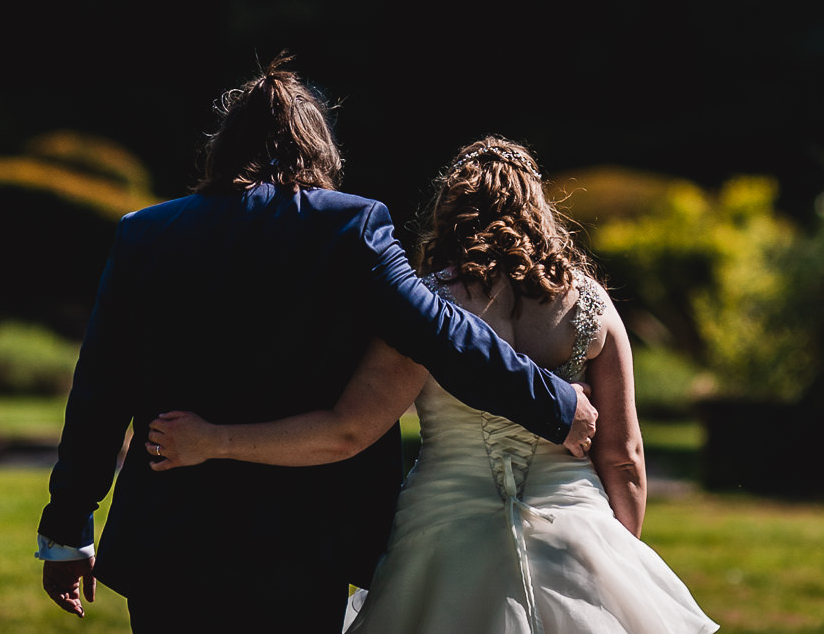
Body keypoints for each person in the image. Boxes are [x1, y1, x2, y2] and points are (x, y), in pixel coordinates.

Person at [36, 64, 598, 633]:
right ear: (318, 147)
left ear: (222, 148)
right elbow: (441, 332)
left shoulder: (145, 234)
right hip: (302, 538)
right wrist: (553, 403)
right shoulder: (351, 227)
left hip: (172, 535)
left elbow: (100, 390)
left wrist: (66, 528)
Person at [144, 137, 716, 634]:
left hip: (446, 543)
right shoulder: (591, 305)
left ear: (451, 213)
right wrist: (616, 566)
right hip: (579, 534)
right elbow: (625, 458)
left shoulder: (425, 308)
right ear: (540, 210)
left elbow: (345, 433)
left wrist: (213, 439)